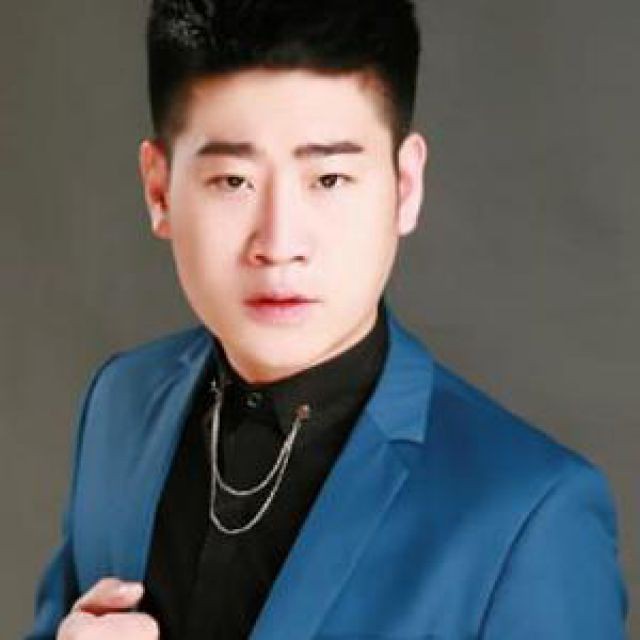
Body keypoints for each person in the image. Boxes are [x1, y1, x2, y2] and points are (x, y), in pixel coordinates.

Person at [27, 0, 628, 638]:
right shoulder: (119, 403)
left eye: (331, 179)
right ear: (159, 190)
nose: (279, 242)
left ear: (405, 186)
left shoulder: (531, 514)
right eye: (232, 181)